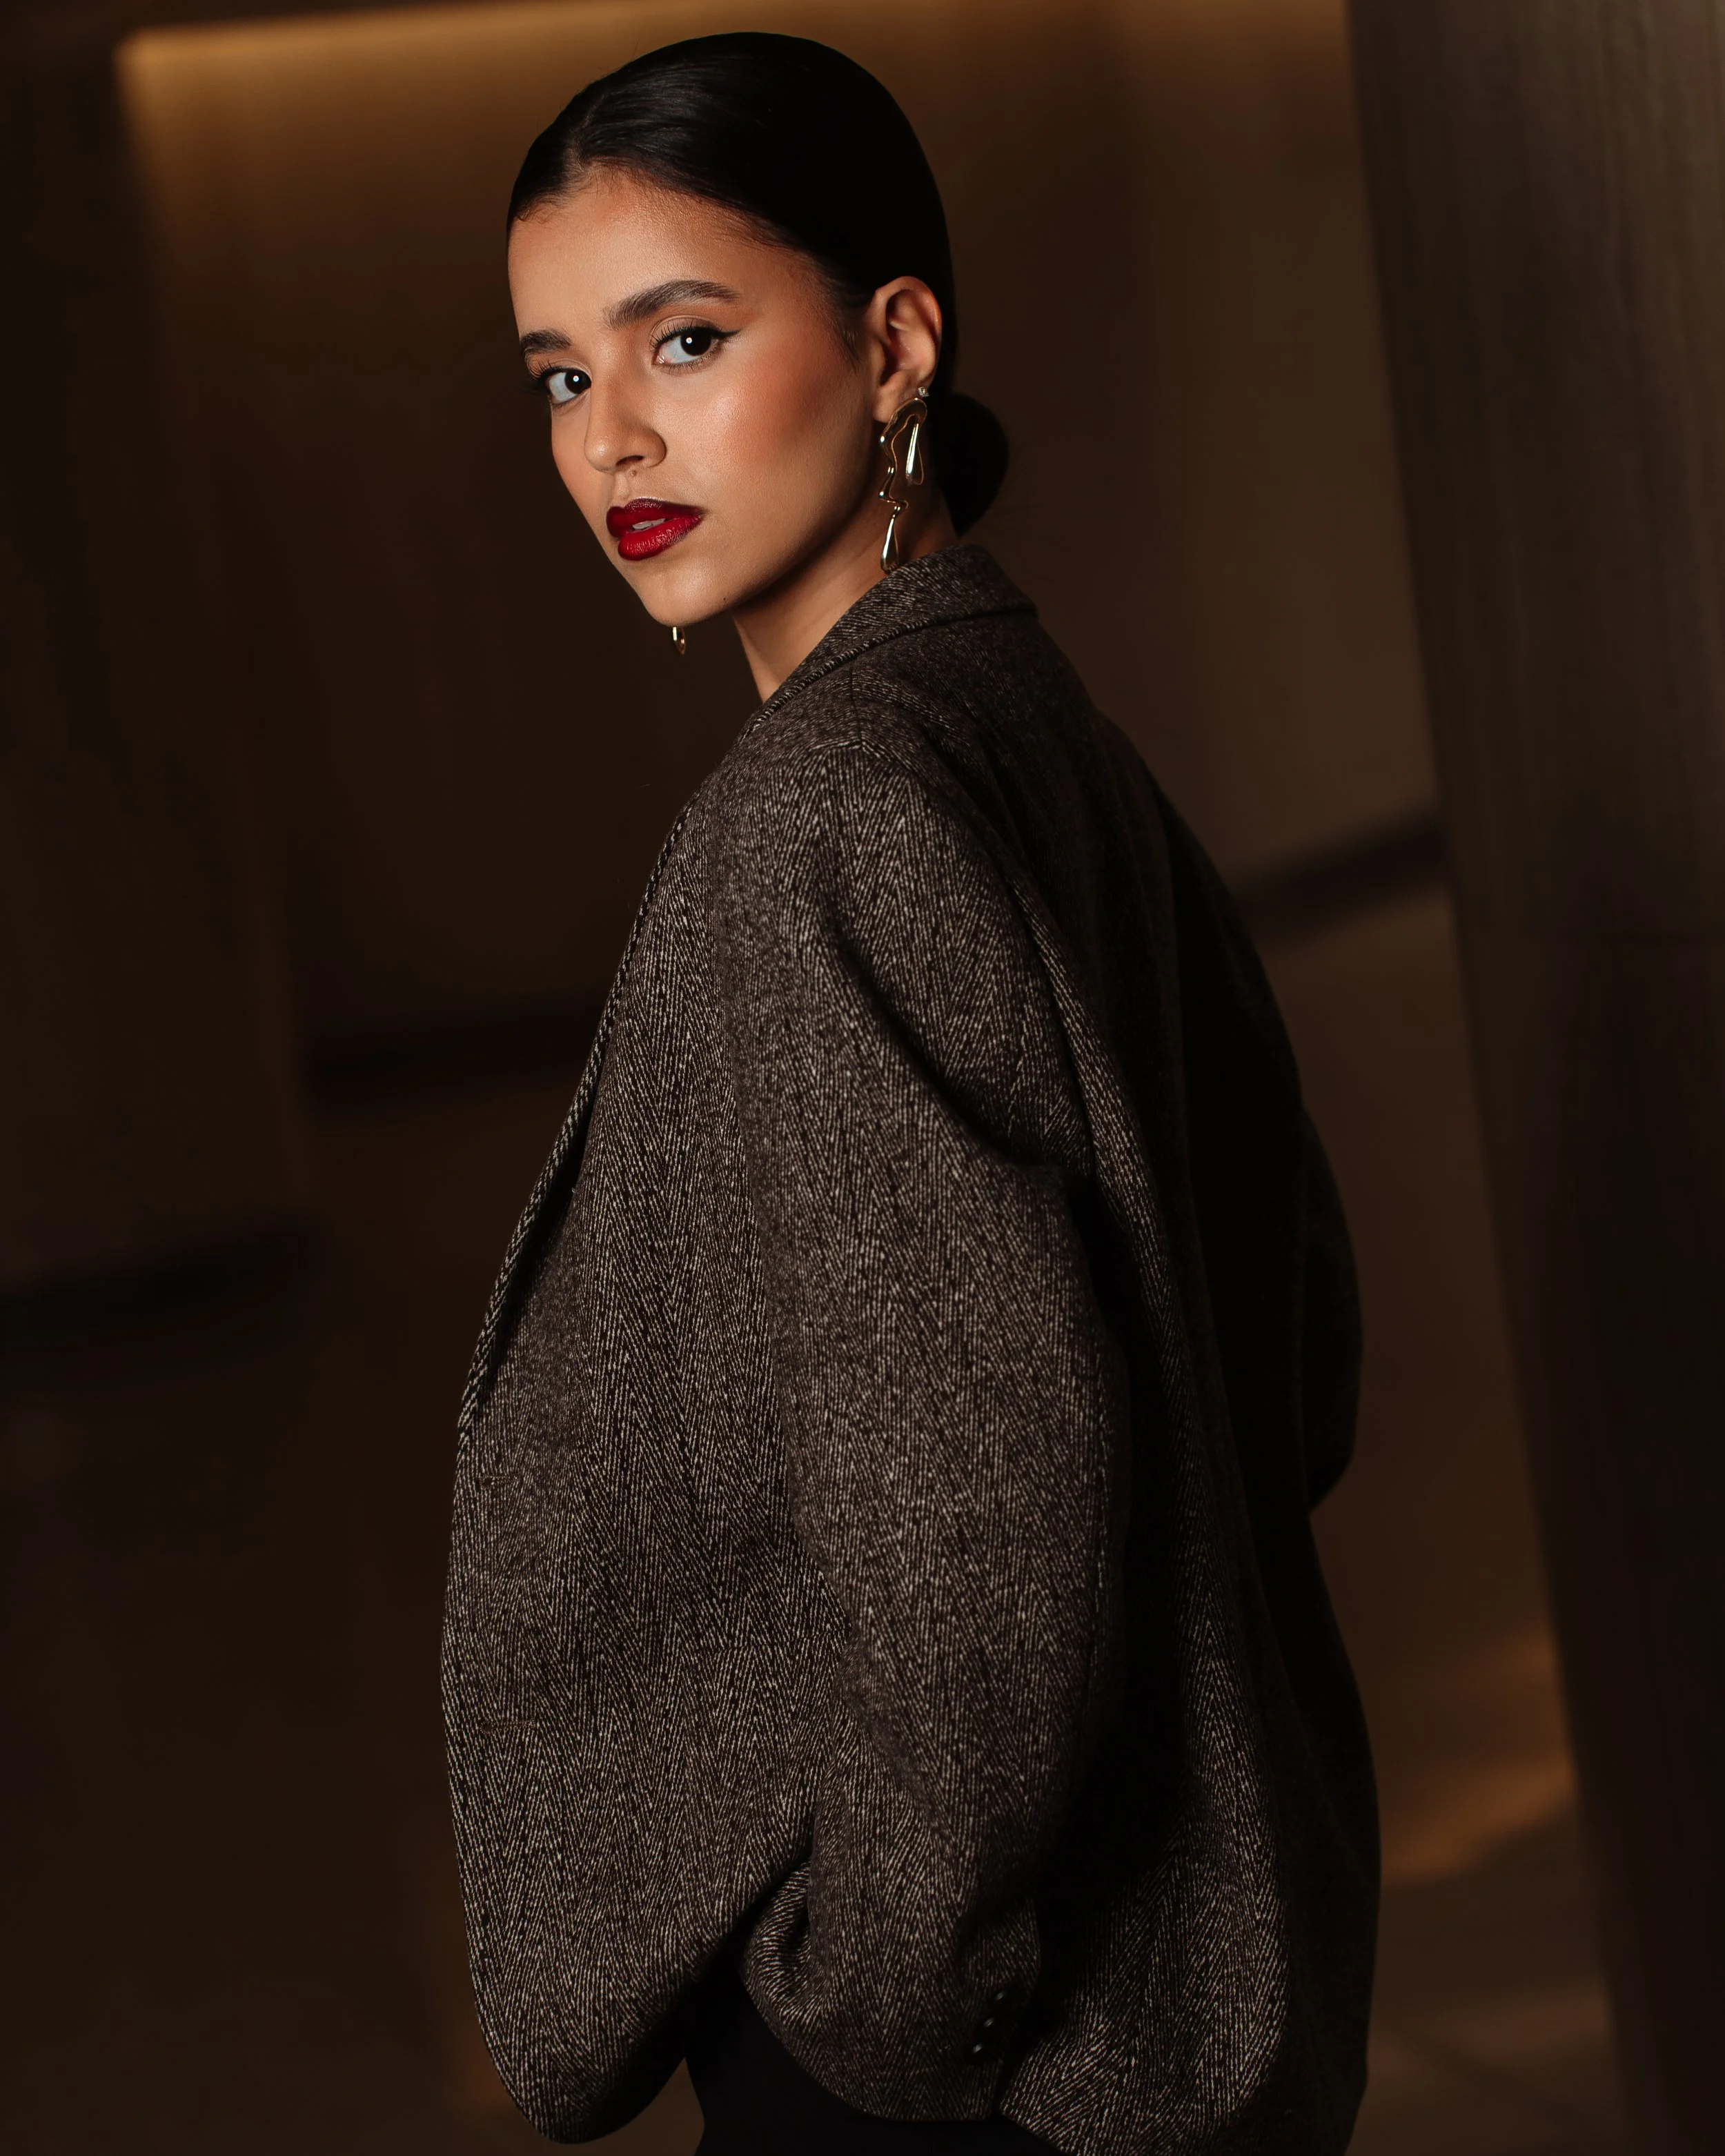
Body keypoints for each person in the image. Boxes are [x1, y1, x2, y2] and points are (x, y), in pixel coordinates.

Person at [441, 32, 1377, 2156]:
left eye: (684, 337)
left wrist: (878, 1994)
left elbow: (987, 1498)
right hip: (1180, 1996)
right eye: (559, 378)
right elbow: (1295, 1343)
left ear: (892, 345)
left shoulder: (824, 815)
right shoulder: (1025, 716)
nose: (614, 440)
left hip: (971, 2058)